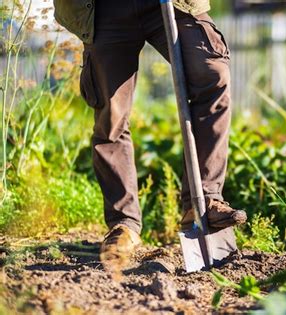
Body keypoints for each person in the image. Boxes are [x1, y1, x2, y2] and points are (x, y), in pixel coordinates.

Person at [53, 0, 247, 272]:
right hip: (101, 8)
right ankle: (124, 225)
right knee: (112, 115)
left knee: (212, 74)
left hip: (174, 4)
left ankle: (204, 201)